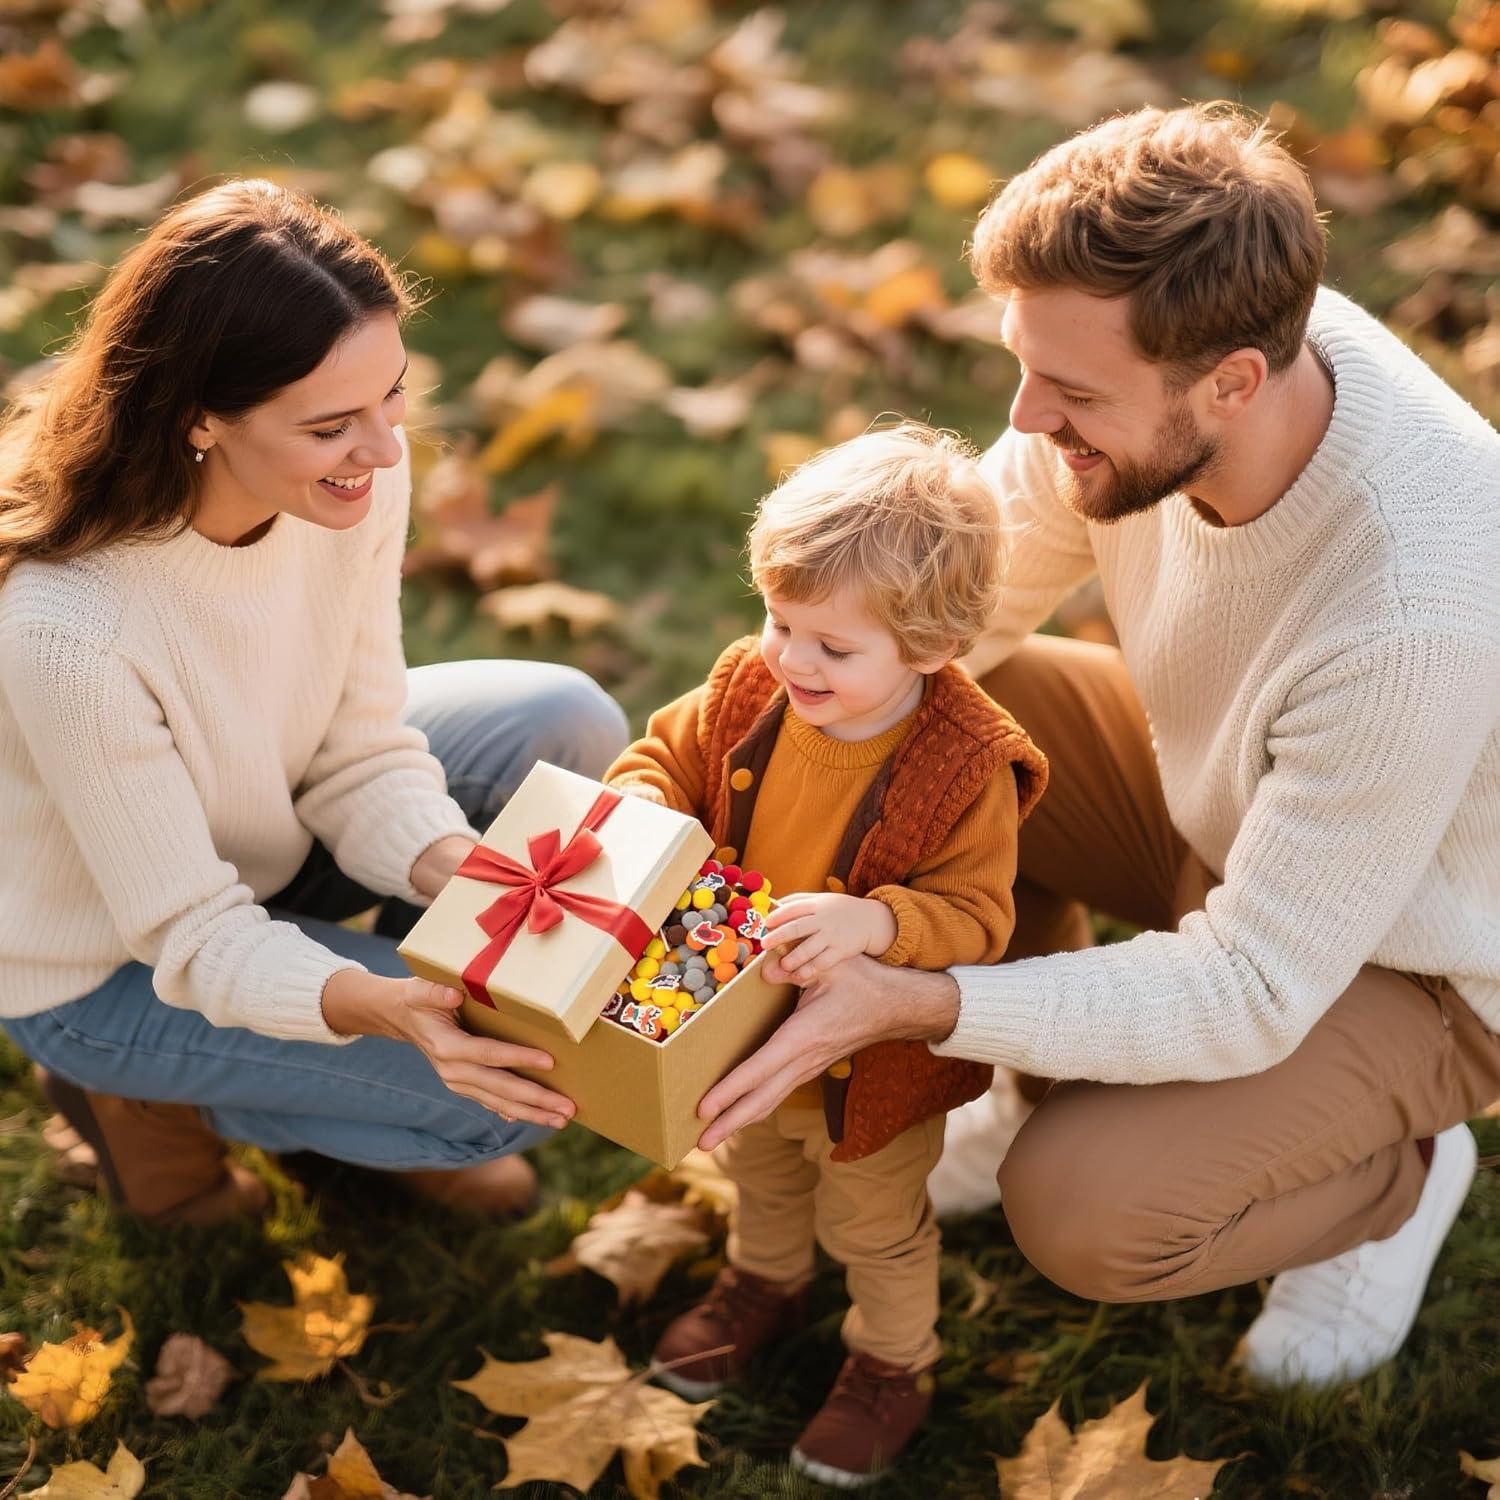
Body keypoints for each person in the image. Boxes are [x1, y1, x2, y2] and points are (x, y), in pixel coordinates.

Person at [694, 103, 1500, 1390]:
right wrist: (744, 752)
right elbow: (958, 614)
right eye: (1024, 365)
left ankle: (1386, 1171)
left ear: (1233, 380)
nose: (1025, 418)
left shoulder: (1411, 617)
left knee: (1084, 1210)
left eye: (1071, 393)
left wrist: (923, 1000)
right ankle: (1027, 1070)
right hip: (1221, 795)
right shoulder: (1207, 361)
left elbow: (1250, 986)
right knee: (933, 683)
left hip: (1418, 951)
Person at [0, 179, 626, 1226]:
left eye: (394, 398)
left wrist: (463, 871)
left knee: (560, 720)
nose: (384, 452)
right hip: (113, 965)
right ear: (201, 419)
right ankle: (153, 1097)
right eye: (334, 424)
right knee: (510, 1102)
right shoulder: (70, 630)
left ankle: (337, 1076)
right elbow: (193, 934)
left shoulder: (353, 481)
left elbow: (360, 749)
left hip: (268, 843)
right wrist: (387, 1012)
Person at [604, 423, 1046, 1485]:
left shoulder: (964, 765)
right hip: (730, 1023)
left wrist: (882, 922)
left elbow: (979, 915)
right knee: (756, 1170)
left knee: (877, 1224)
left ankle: (893, 1363)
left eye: (832, 648)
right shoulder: (747, 690)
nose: (791, 659)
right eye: (779, 622)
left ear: (931, 649)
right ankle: (766, 1279)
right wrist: (644, 810)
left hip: (868, 1070)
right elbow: (660, 754)